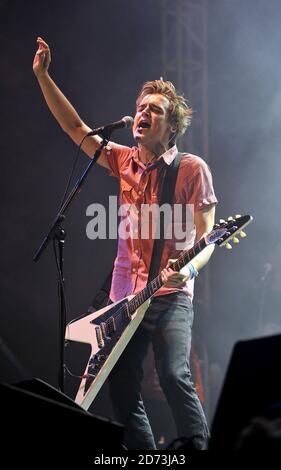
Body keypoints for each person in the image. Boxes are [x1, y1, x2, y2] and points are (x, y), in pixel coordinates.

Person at [33, 37, 218, 450]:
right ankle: (148, 457)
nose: (143, 114)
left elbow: (208, 239)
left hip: (171, 295)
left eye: (155, 109)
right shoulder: (123, 159)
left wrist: (185, 268)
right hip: (125, 298)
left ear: (171, 126)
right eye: (140, 107)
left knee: (173, 374)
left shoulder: (191, 170)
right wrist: (43, 76)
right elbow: (74, 127)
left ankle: (198, 447)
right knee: (121, 387)